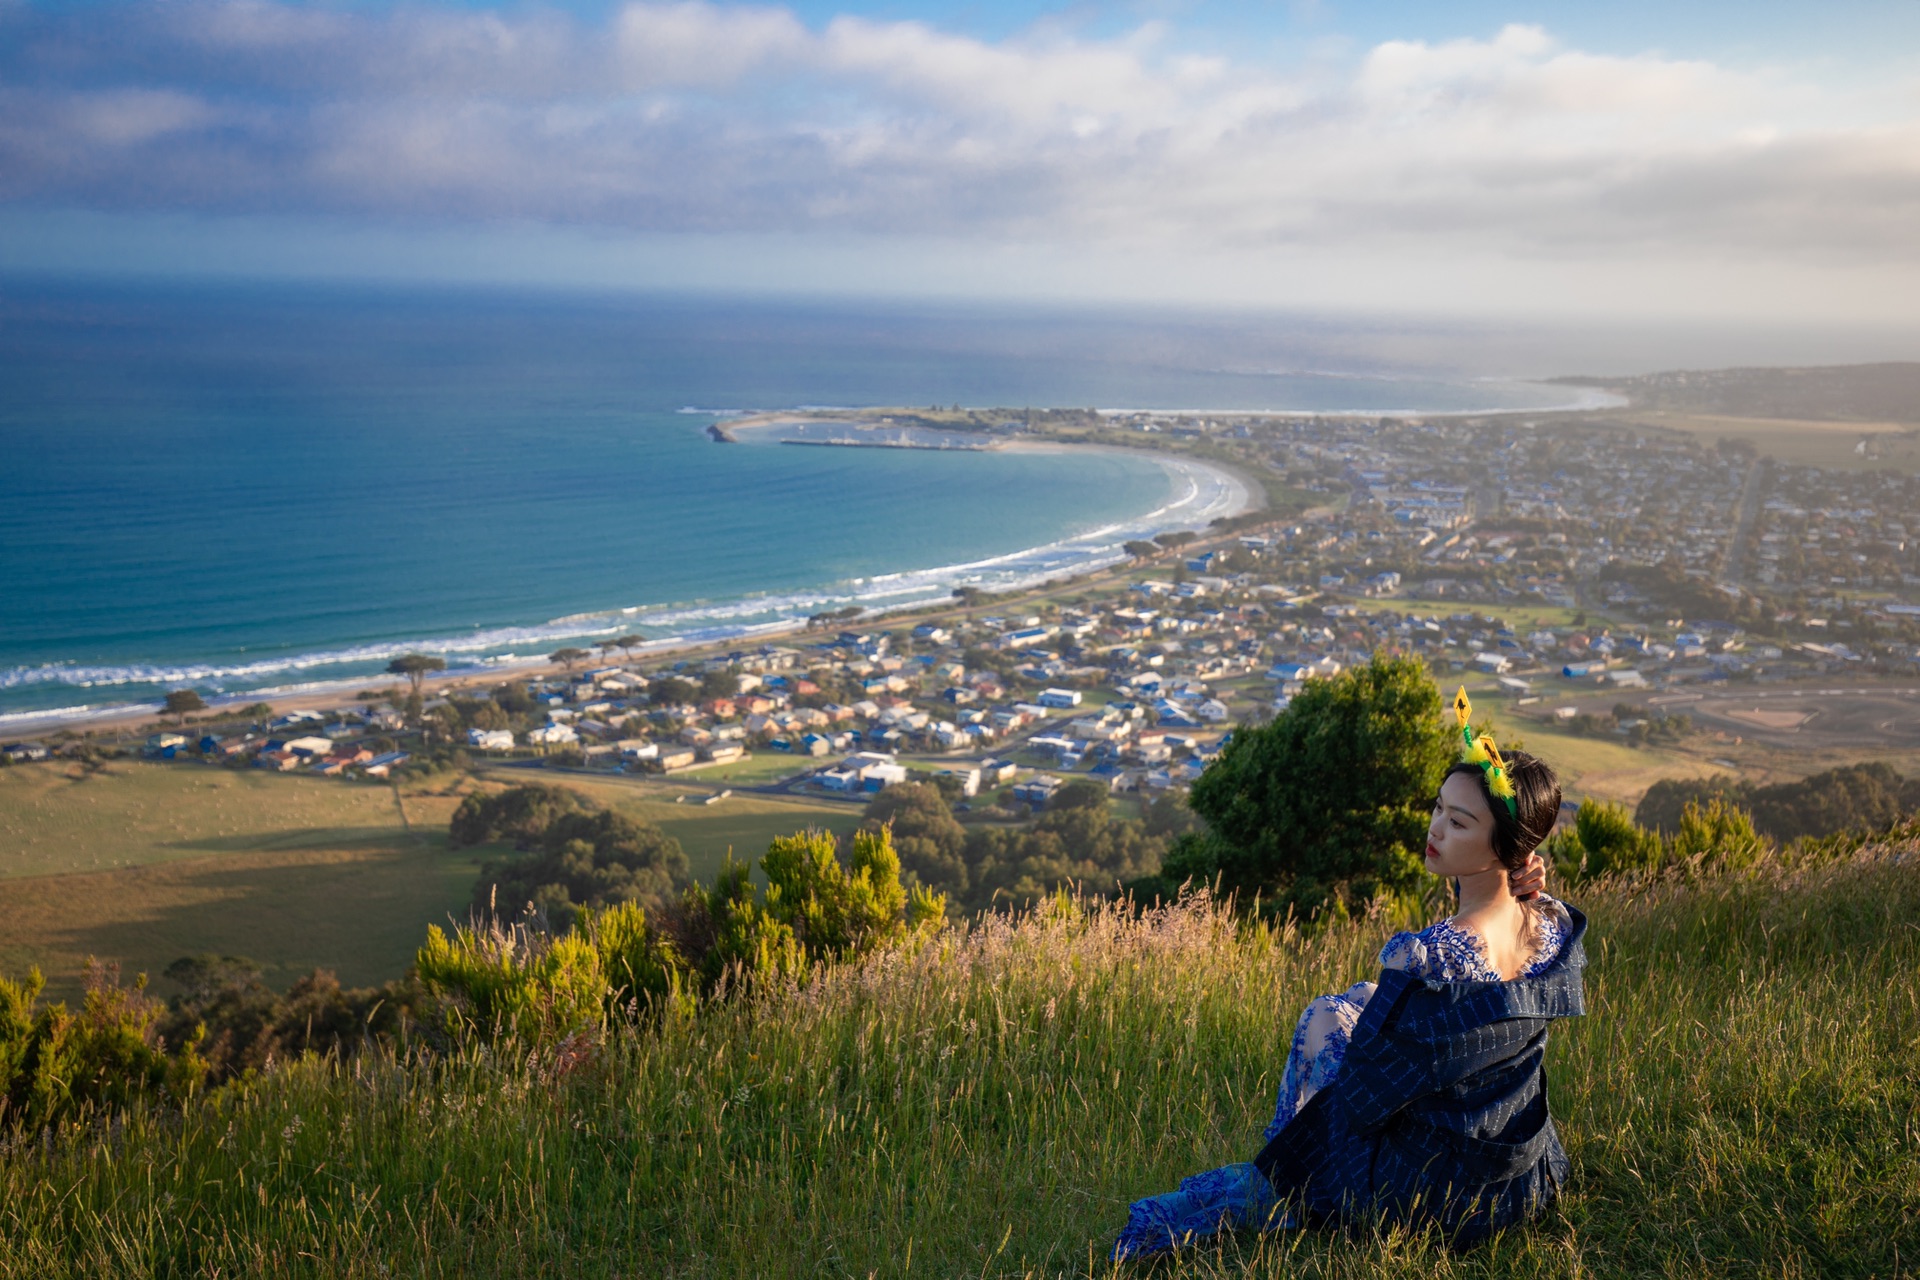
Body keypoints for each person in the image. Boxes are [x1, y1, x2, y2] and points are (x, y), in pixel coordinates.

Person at [1113, 689, 1586, 1259]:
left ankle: (1284, 1189)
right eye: (1438, 808)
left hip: (1429, 1193)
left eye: (1458, 822)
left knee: (1323, 1018)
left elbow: (1364, 1094)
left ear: (1505, 848)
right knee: (1359, 999)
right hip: (1516, 1174)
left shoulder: (1427, 955)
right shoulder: (1551, 923)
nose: (1435, 828)